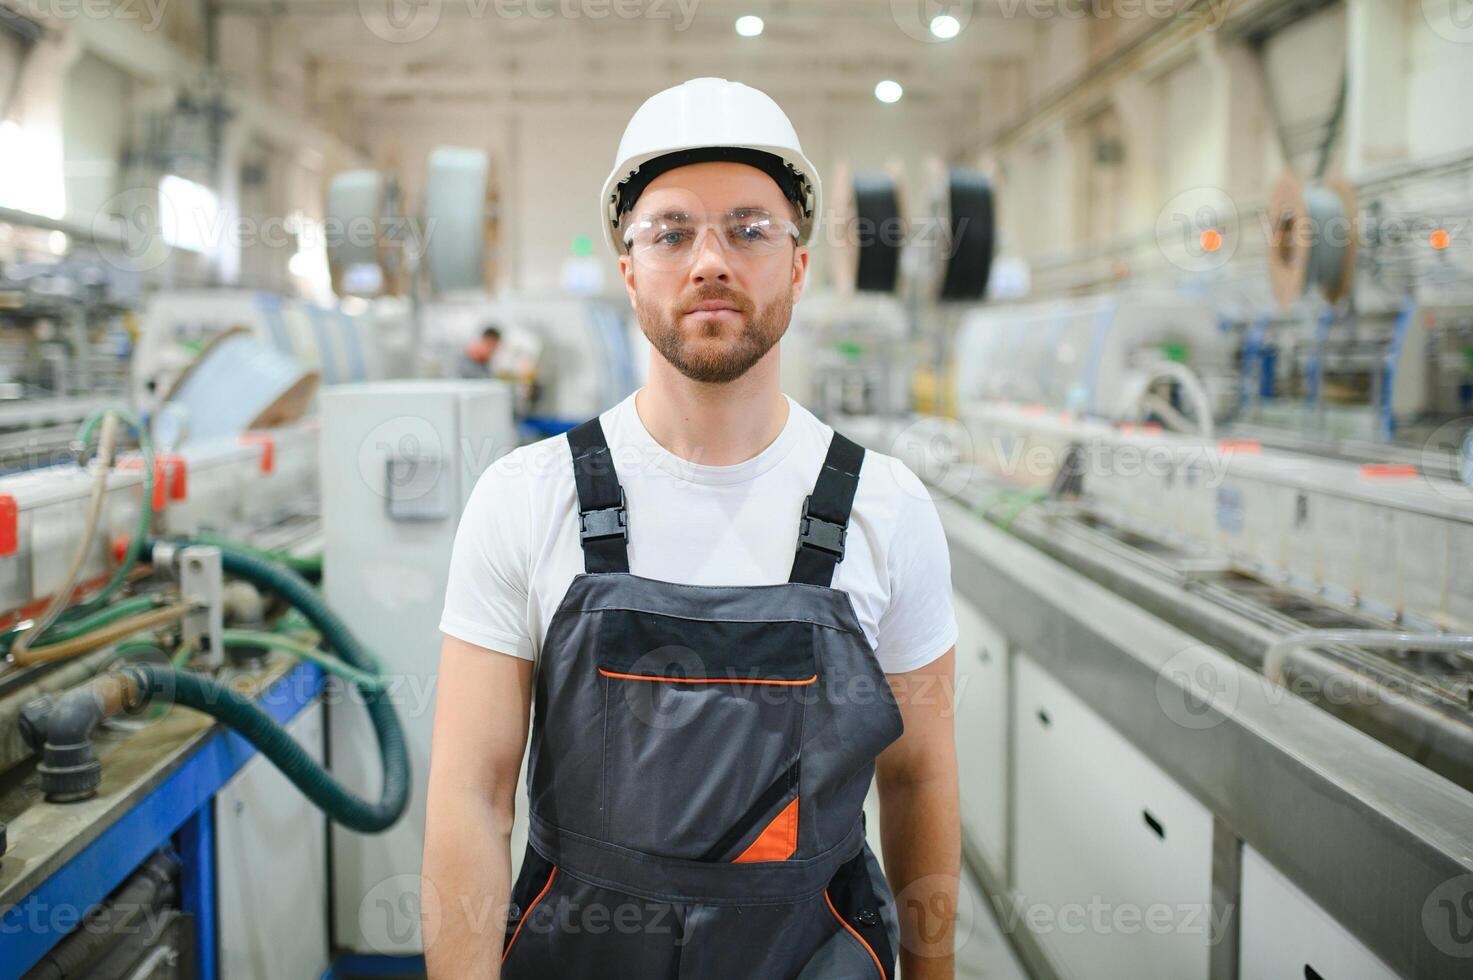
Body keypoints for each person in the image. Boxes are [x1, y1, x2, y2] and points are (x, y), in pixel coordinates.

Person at [425, 77, 960, 979]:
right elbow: (470, 798)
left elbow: (919, 781)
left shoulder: (887, 507)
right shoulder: (525, 497)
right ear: (629, 267)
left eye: (750, 229)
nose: (710, 260)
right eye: (671, 232)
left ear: (796, 263)